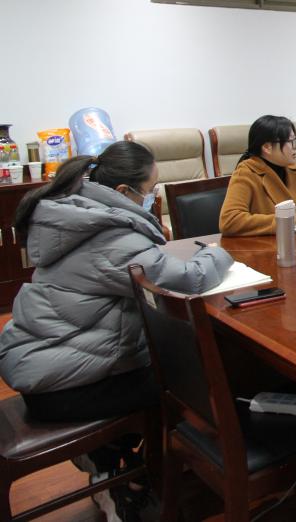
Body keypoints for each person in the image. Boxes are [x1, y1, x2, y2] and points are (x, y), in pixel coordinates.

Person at [0, 141, 234, 520]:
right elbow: (190, 278)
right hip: (62, 386)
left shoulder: (77, 215)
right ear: (124, 191)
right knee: (187, 382)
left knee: (166, 361)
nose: (153, 198)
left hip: (45, 364)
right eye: (150, 190)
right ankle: (125, 473)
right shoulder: (111, 236)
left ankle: (112, 462)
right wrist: (215, 250)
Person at [219, 115, 296, 236]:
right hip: (263, 245)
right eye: (290, 142)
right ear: (267, 147)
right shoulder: (246, 173)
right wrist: (285, 219)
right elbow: (230, 220)